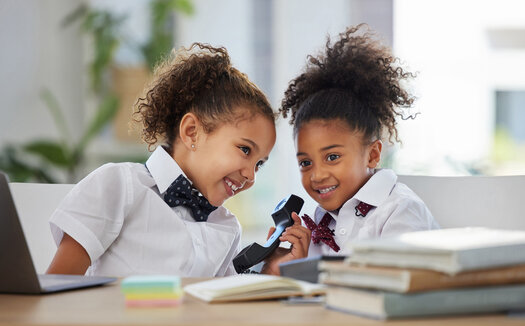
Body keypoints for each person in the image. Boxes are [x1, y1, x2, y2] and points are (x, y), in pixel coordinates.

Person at [46, 43, 308, 277]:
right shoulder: (119, 186)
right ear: (192, 132)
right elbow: (58, 290)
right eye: (245, 150)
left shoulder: (227, 228)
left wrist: (270, 273)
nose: (251, 176)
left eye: (259, 164)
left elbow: (226, 314)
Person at [272, 25, 439, 270]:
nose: (317, 175)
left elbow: (401, 286)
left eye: (332, 156)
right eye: (305, 163)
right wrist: (291, 267)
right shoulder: (320, 222)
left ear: (372, 155)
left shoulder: (400, 210)